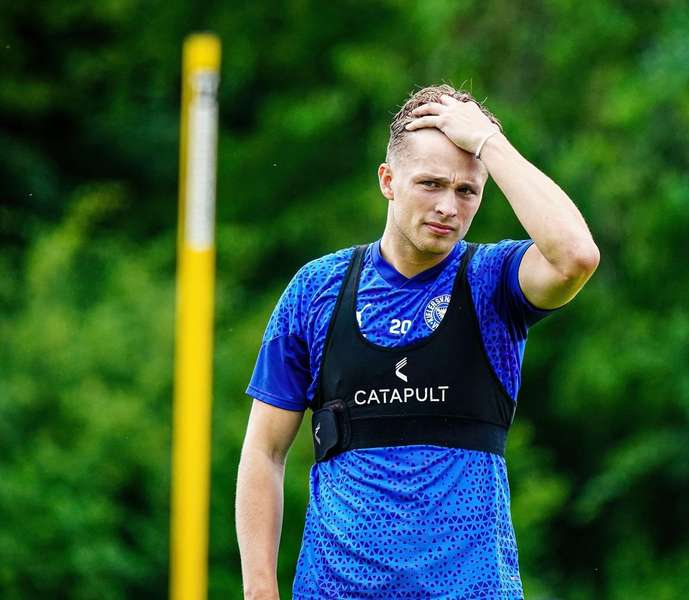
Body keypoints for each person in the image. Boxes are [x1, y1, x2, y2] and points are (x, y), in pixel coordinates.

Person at [235, 83, 600, 599]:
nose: (449, 206)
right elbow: (265, 452)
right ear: (388, 180)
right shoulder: (317, 290)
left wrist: (489, 143)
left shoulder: (492, 281)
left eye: (466, 190)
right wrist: (259, 591)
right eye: (431, 184)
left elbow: (576, 256)